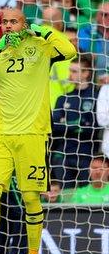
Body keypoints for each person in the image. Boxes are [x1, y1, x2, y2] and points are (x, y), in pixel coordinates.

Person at [0, 8, 77, 254]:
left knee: (30, 197)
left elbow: (69, 50)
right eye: (5, 22)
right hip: (0, 134)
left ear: (24, 24)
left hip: (33, 134)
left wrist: (38, 30)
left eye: (14, 21)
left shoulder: (41, 46)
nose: (9, 26)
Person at [51, 54, 99, 190]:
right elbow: (55, 127)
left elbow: (94, 127)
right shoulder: (63, 98)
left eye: (74, 71)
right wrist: (80, 123)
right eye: (69, 70)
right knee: (66, 197)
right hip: (63, 155)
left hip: (86, 156)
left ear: (86, 73)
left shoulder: (97, 96)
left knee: (85, 195)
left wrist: (67, 123)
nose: (69, 75)